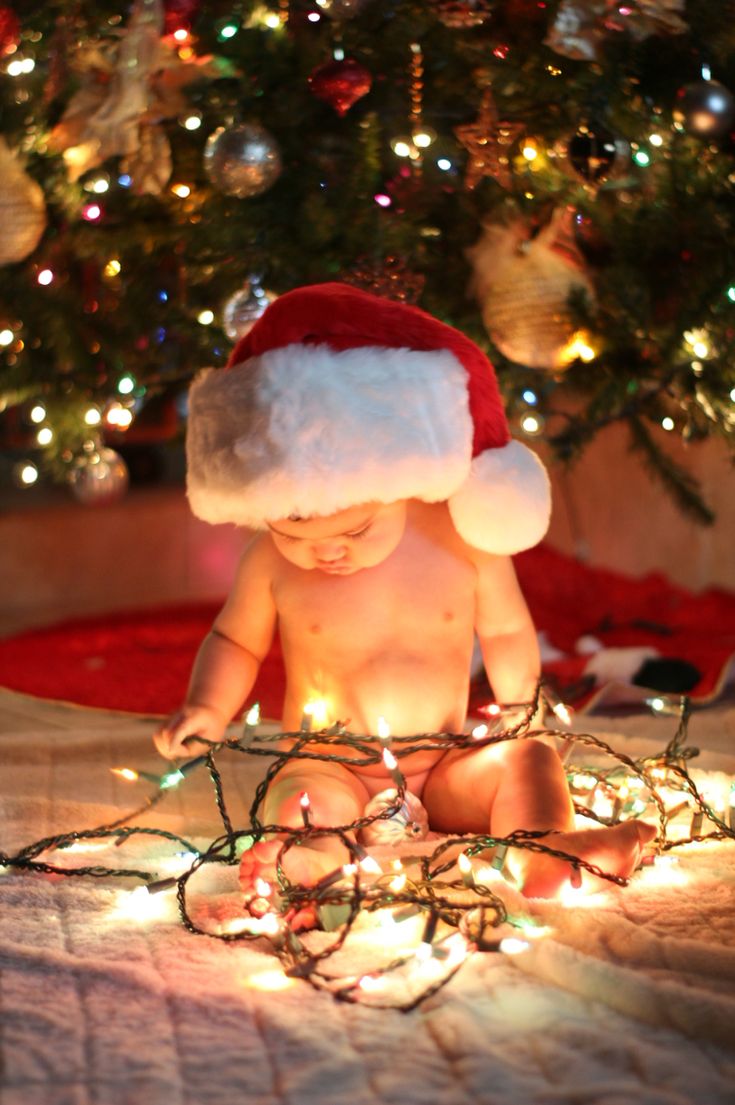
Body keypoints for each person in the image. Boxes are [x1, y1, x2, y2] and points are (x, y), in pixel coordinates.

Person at [153, 283, 655, 904]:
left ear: (399, 477)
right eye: (293, 535)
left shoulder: (462, 539)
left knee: (529, 760)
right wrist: (207, 706)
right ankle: (311, 857)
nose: (327, 551)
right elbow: (234, 640)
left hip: (442, 767)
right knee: (305, 802)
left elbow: (503, 630)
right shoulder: (266, 564)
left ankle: (544, 848)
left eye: (356, 529)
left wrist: (524, 708)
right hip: (328, 763)